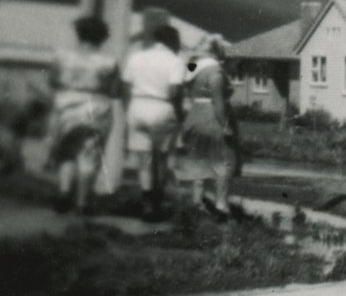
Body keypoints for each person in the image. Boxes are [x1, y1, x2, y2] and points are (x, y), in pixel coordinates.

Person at [47, 14, 119, 213]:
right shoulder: (109, 62)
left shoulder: (61, 56)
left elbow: (52, 81)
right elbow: (115, 90)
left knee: (66, 152)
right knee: (89, 153)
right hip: (96, 106)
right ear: (103, 37)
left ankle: (63, 192)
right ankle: (83, 201)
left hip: (66, 104)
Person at [119, 22, 184, 216]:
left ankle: (146, 200)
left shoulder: (136, 57)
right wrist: (179, 117)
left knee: (144, 160)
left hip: (137, 106)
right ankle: (157, 201)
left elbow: (125, 87)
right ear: (172, 41)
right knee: (161, 158)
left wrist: (127, 110)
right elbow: (175, 91)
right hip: (161, 106)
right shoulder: (175, 61)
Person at [178, 35, 237, 214]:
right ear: (216, 51)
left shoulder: (192, 67)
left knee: (199, 158)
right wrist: (225, 125)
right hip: (212, 116)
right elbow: (217, 102)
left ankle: (197, 201)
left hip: (194, 115)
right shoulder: (215, 72)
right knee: (225, 160)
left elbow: (185, 80)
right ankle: (221, 204)